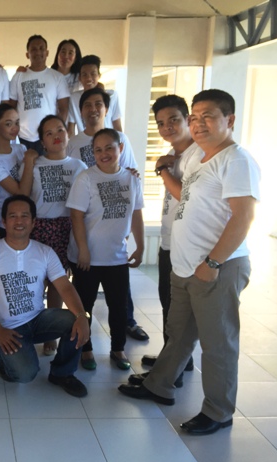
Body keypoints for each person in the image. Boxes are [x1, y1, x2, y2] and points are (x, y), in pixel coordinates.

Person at [119, 89, 260, 436]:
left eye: (207, 116)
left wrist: (212, 263)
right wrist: (164, 170)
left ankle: (218, 411)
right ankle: (159, 385)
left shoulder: (236, 160)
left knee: (217, 345)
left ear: (230, 119)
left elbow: (243, 217)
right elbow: (187, 198)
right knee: (179, 334)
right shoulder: (200, 159)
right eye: (195, 117)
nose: (198, 124)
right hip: (186, 266)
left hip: (216, 268)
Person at [0, 195, 90, 397]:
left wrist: (81, 315)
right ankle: (7, 363)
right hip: (7, 327)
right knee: (25, 375)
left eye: (25, 216)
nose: (19, 221)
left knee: (76, 321)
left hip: (37, 319)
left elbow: (64, 286)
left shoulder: (45, 252)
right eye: (13, 216)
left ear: (33, 222)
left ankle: (62, 373)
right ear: (4, 221)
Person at [66, 87, 148, 342]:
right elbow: (76, 215)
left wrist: (140, 245)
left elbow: (136, 211)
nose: (104, 154)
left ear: (119, 147)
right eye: (98, 150)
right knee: (84, 305)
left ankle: (118, 347)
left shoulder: (130, 176)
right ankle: (85, 348)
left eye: (109, 148)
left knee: (119, 304)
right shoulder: (83, 171)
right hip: (87, 253)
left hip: (116, 254)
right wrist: (83, 249)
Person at [140, 94, 202, 382]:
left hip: (185, 246)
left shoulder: (197, 155)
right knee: (168, 304)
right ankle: (174, 359)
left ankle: (172, 370)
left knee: (179, 311)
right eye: (161, 123)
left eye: (174, 120)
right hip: (170, 242)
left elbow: (184, 196)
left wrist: (162, 169)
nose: (167, 127)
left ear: (188, 119)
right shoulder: (175, 154)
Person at [18, 115, 87, 355]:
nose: (56, 135)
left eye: (60, 130)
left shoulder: (79, 167)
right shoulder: (34, 163)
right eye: (49, 133)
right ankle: (29, 327)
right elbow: (23, 195)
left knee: (59, 281)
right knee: (35, 281)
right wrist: (29, 163)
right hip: (39, 227)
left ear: (67, 135)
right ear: (42, 142)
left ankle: (51, 335)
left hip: (66, 226)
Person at [9, 35, 70, 154]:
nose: (38, 52)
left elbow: (64, 109)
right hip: (22, 137)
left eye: (41, 48)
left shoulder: (57, 77)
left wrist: (58, 134)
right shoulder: (18, 77)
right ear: (27, 54)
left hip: (48, 138)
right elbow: (11, 107)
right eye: (33, 49)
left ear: (47, 53)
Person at [0, 103, 34, 237]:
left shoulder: (21, 149)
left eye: (17, 123)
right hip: (6, 222)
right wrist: (29, 160)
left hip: (26, 218)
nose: (15, 128)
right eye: (8, 124)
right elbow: (22, 194)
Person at [68, 55, 123, 135]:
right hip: (84, 142)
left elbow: (117, 126)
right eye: (84, 74)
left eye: (93, 74)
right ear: (79, 78)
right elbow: (71, 129)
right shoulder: (74, 98)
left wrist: (120, 141)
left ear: (99, 75)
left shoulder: (112, 96)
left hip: (107, 140)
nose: (89, 78)